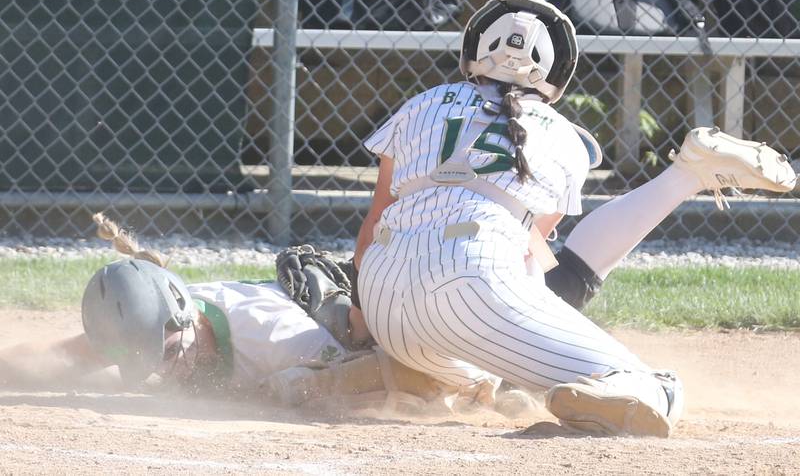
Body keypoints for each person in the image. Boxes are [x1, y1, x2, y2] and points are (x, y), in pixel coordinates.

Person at [350, 0, 797, 437]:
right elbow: (533, 258)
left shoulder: (419, 105)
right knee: (653, 388)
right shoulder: (565, 137)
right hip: (472, 285)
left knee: (471, 380)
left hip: (382, 294)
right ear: (556, 70)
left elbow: (373, 227)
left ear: (474, 50)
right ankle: (684, 178)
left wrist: (360, 316)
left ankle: (394, 370)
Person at [0, 213, 499, 416]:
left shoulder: (274, 339)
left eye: (167, 354)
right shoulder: (156, 326)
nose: (163, 369)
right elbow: (54, 358)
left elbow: (407, 376)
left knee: (308, 382)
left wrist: (302, 387)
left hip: (426, 316)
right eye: (148, 360)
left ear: (186, 317)